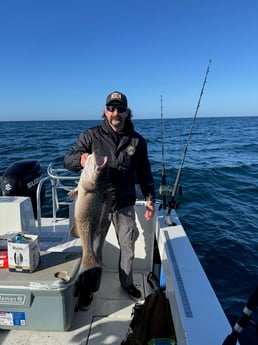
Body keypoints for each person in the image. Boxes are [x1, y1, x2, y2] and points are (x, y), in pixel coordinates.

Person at [64, 91, 155, 309]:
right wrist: (81, 158)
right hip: (97, 204)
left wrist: (150, 197)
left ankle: (128, 283)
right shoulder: (91, 135)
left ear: (127, 112)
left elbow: (144, 171)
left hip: (124, 203)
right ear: (105, 111)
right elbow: (68, 159)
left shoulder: (137, 141)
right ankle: (88, 288)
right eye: (111, 108)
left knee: (129, 247)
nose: (116, 112)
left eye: (120, 109)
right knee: (93, 247)